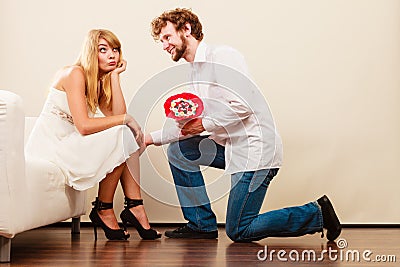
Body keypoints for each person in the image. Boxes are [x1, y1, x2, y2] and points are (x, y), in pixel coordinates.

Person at [146, 8, 341, 242]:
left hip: (254, 151)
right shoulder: (195, 73)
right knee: (180, 151)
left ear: (186, 29)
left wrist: (203, 124)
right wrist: (150, 138)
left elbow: (243, 105)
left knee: (239, 229)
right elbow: (190, 124)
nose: (164, 45)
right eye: (161, 41)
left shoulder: (222, 56)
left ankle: (317, 214)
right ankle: (201, 224)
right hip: (231, 147)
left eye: (167, 37)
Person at [25, 29, 161, 240]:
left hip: (71, 143)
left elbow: (118, 116)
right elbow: (84, 126)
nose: (112, 55)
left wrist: (115, 77)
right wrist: (127, 120)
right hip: (54, 148)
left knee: (127, 138)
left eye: (115, 50)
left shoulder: (97, 81)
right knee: (125, 135)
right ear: (91, 52)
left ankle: (134, 206)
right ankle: (104, 208)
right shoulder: (74, 74)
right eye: (103, 50)